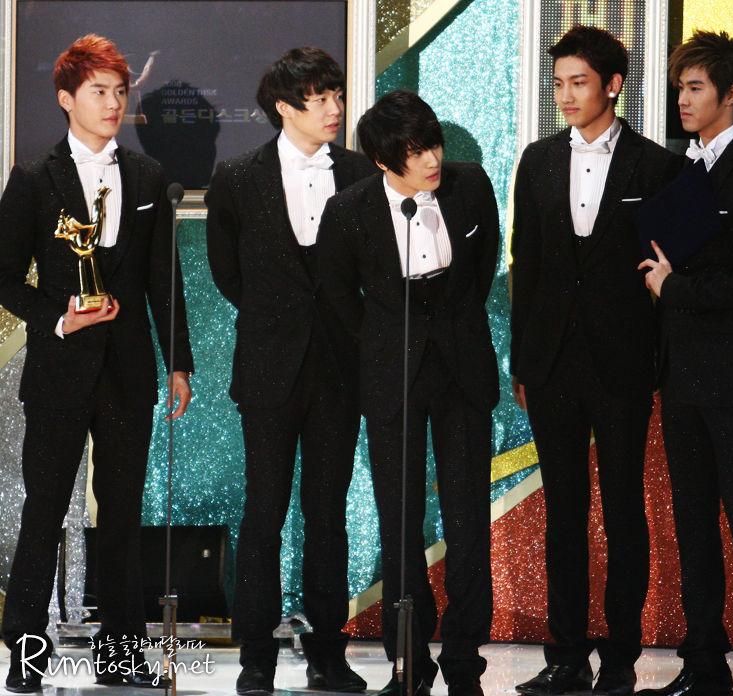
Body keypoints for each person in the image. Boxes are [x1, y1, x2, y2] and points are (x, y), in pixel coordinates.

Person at [0, 34, 193, 692]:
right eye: (98, 91)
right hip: (59, 371)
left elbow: (165, 279)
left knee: (122, 516)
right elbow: (4, 276)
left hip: (129, 371)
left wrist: (179, 363)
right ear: (66, 99)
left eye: (120, 91)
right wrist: (58, 318)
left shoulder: (147, 178)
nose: (113, 103)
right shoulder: (34, 178)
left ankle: (121, 656)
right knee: (44, 512)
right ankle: (27, 656)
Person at [509, 25, 681, 696]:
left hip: (623, 362)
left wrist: (658, 363)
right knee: (563, 512)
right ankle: (565, 656)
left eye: (578, 82)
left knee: (623, 511)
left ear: (613, 85)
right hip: (551, 361)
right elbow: (526, 265)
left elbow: (667, 272)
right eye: (558, 84)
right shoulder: (538, 160)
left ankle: (620, 659)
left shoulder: (656, 165)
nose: (566, 96)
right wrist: (523, 360)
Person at [317, 89, 499, 696]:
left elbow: (482, 265)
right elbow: (339, 296)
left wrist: (453, 325)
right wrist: (381, 343)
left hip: (462, 368)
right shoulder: (350, 210)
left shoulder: (471, 186)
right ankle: (410, 664)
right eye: (416, 152)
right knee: (400, 524)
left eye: (433, 144)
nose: (431, 160)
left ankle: (466, 665)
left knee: (468, 521)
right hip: (392, 374)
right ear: (382, 161)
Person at [204, 47, 374, 695]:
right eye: (320, 98)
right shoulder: (236, 178)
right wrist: (280, 317)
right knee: (264, 512)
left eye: (337, 95)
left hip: (340, 369)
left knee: (327, 514)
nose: (335, 108)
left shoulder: (360, 173)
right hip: (269, 367)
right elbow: (228, 273)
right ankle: (257, 657)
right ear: (284, 107)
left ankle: (328, 653)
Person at [637, 31, 733, 696]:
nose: (683, 99)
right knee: (692, 522)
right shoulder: (683, 172)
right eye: (680, 88)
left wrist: (674, 288)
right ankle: (702, 664)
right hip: (681, 377)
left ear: (731, 94)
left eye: (695, 88)